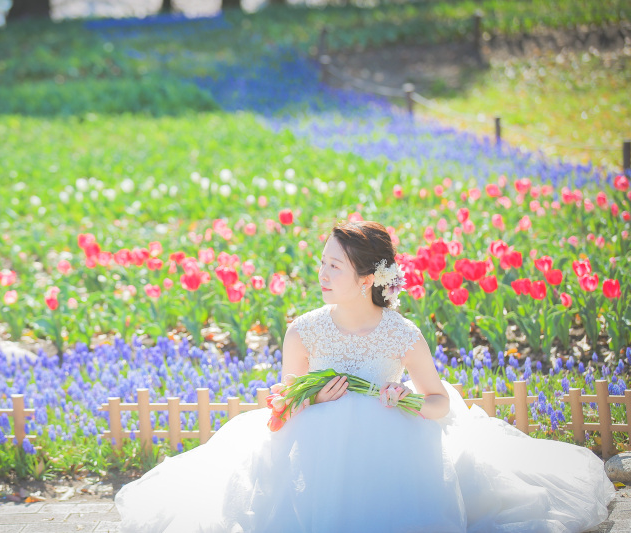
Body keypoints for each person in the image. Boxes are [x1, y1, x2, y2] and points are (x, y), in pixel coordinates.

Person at [115, 220, 615, 532]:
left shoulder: (401, 334)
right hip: (312, 454)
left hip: (396, 446)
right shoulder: (304, 331)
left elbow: (439, 402)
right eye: (323, 262)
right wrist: (311, 399)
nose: (322, 273)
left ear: (367, 279)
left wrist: (407, 398)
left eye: (335, 266)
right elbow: (281, 405)